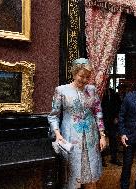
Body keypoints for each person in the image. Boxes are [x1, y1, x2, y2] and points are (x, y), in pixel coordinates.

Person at [48, 58, 107, 189]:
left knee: (91, 176)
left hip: (91, 138)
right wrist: (57, 135)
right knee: (73, 177)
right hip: (71, 137)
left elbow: (98, 112)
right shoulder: (61, 90)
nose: (84, 80)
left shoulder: (92, 90)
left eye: (87, 77)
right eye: (81, 76)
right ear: (74, 73)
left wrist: (102, 135)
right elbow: (53, 116)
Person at [101, 87, 122, 166]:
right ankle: (102, 159)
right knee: (101, 139)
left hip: (112, 120)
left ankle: (114, 158)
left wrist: (117, 117)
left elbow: (119, 105)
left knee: (113, 139)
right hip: (102, 120)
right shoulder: (99, 91)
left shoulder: (113, 93)